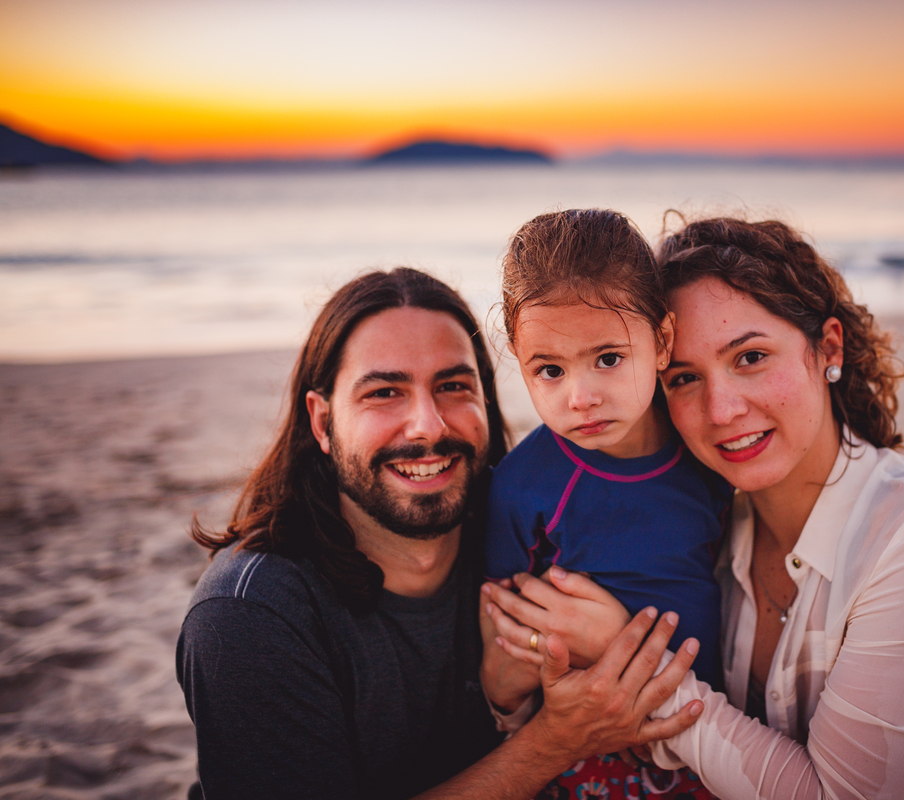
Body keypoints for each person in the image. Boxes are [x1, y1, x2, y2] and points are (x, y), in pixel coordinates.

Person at [485, 218, 904, 798]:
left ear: (828, 347)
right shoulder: (718, 522)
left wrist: (630, 655)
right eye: (684, 378)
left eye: (750, 357)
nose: (722, 410)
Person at [176, 267, 704, 800]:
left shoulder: (529, 542)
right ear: (321, 422)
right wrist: (553, 743)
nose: (428, 425)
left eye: (453, 386)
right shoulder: (251, 613)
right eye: (384, 392)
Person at [481, 210, 728, 799]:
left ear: (662, 340)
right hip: (590, 750)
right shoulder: (524, 487)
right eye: (549, 370)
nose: (581, 397)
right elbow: (500, 621)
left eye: (608, 359)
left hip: (715, 726)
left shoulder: (710, 450)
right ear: (519, 361)